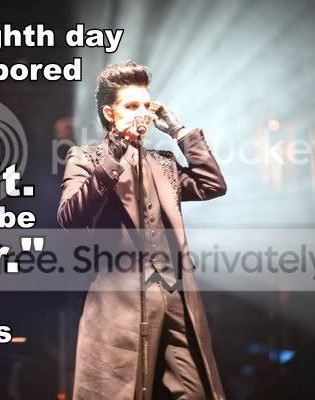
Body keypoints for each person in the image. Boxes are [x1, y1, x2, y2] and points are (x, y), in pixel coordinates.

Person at [57, 61, 227, 400]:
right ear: (110, 113)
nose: (142, 114)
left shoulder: (163, 163)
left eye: (146, 106)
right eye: (132, 106)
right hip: (120, 299)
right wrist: (115, 151)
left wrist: (179, 132)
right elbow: (69, 216)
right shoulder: (87, 158)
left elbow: (211, 185)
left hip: (172, 290)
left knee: (194, 391)